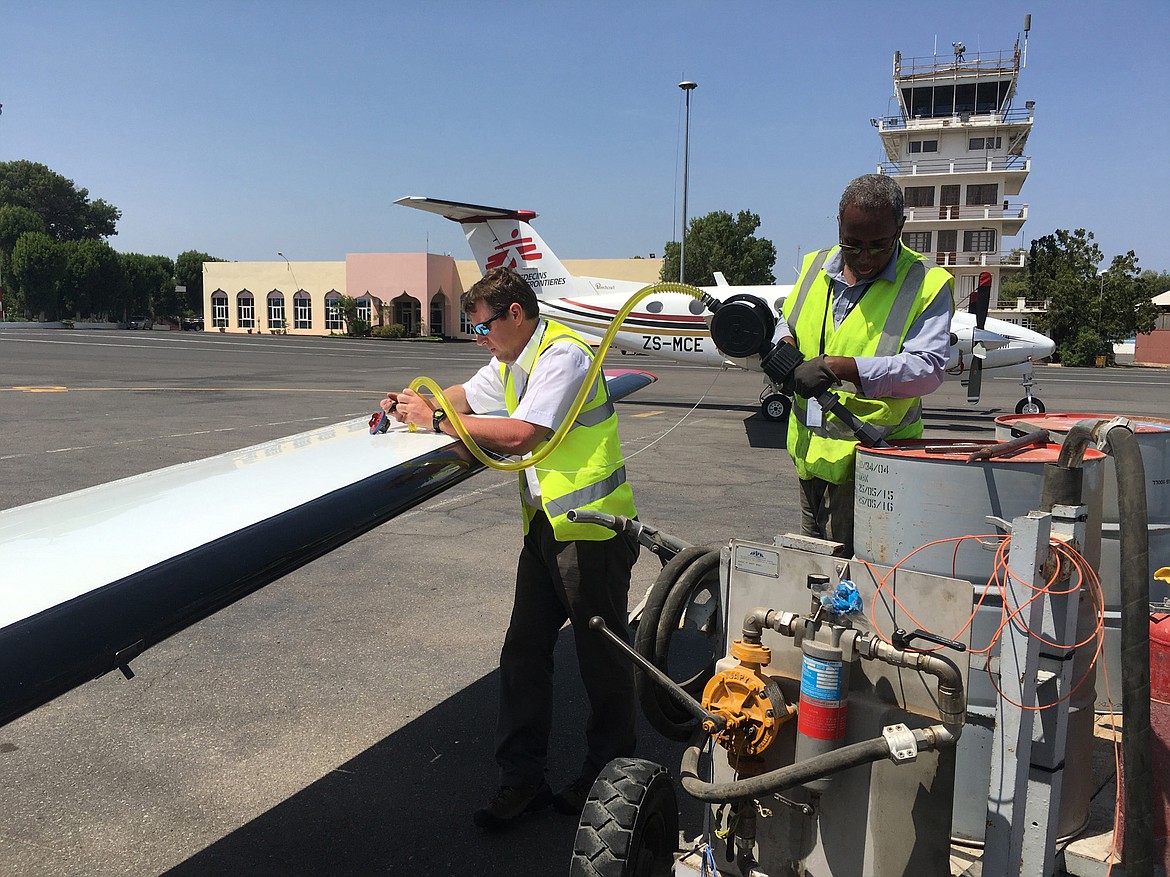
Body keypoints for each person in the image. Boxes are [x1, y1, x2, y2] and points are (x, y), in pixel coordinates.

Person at [381, 266, 640, 829]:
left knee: (604, 663)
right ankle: (521, 781)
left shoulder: (562, 357)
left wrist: (438, 423)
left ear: (515, 315)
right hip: (546, 529)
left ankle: (612, 783)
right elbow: (462, 395)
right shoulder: (510, 359)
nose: (480, 337)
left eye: (483, 327)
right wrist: (410, 404)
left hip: (592, 532)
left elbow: (525, 434)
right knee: (523, 654)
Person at [777, 174, 954, 556]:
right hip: (810, 451)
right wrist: (785, 344)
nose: (865, 257)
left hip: (873, 459)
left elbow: (928, 368)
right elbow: (786, 320)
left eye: (879, 245)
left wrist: (841, 367)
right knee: (809, 562)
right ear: (839, 226)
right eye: (853, 244)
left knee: (861, 566)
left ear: (900, 230)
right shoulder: (815, 267)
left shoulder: (925, 283)